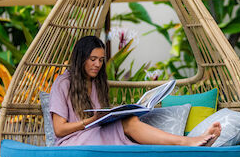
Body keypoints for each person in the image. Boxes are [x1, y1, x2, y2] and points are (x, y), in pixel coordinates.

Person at [50, 35, 221, 147]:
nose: (97, 65)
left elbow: (100, 119)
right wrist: (90, 120)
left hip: (93, 134)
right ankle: (187, 142)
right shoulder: (63, 83)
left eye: (101, 60)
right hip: (72, 142)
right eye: (93, 59)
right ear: (81, 58)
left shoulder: (96, 83)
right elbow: (59, 130)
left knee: (131, 121)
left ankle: (188, 145)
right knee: (129, 124)